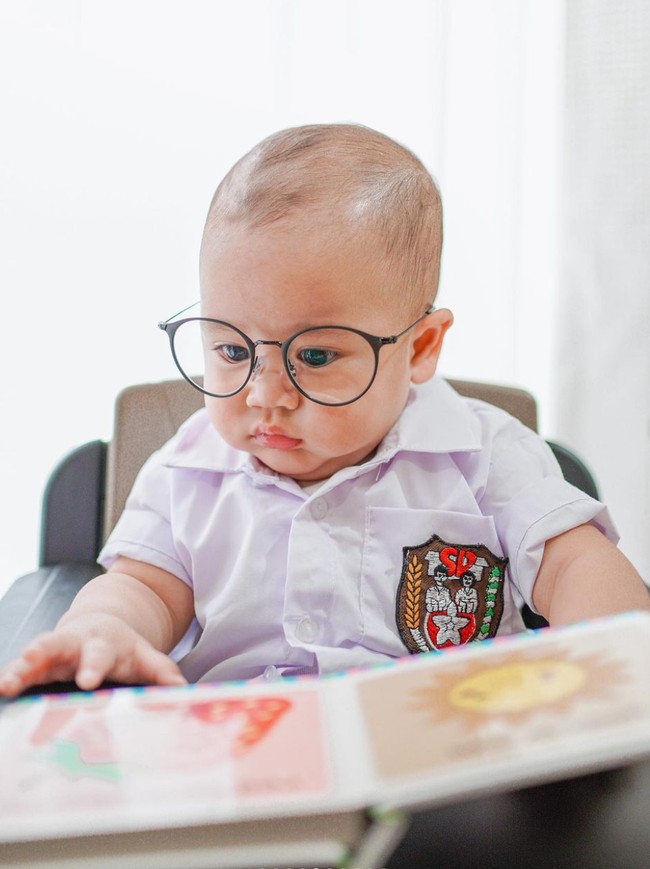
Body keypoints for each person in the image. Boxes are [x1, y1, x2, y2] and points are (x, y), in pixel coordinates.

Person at [0, 123, 648, 696]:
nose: (264, 393)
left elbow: (572, 564)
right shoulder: (188, 470)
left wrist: (616, 661)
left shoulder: (485, 456)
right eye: (230, 348)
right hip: (236, 751)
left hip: (446, 750)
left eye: (313, 357)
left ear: (420, 346)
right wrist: (102, 630)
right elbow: (142, 589)